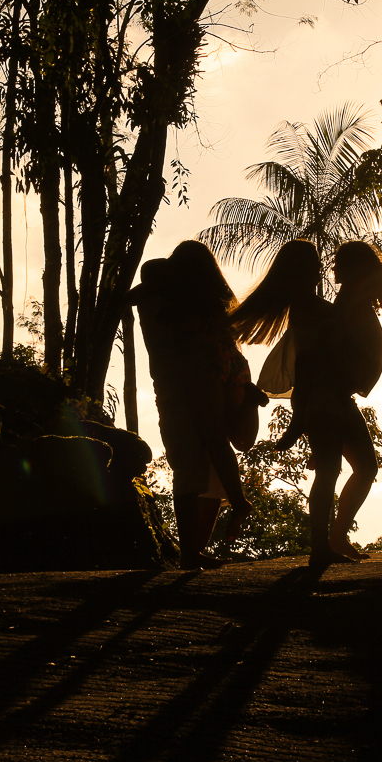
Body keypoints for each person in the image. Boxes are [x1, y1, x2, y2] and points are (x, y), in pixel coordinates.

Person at [233, 240, 382, 567]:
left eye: (332, 264)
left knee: (363, 468)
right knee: (330, 471)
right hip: (323, 398)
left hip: (335, 397)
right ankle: (321, 546)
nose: (326, 269)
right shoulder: (312, 308)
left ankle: (334, 538)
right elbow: (308, 362)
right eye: (318, 265)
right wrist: (299, 419)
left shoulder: (328, 305)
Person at [129, 242, 261, 570]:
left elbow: (136, 297)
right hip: (222, 371)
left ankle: (195, 548)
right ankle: (196, 547)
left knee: (198, 459)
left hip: (195, 380)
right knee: (212, 453)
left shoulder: (170, 304)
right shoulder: (202, 302)